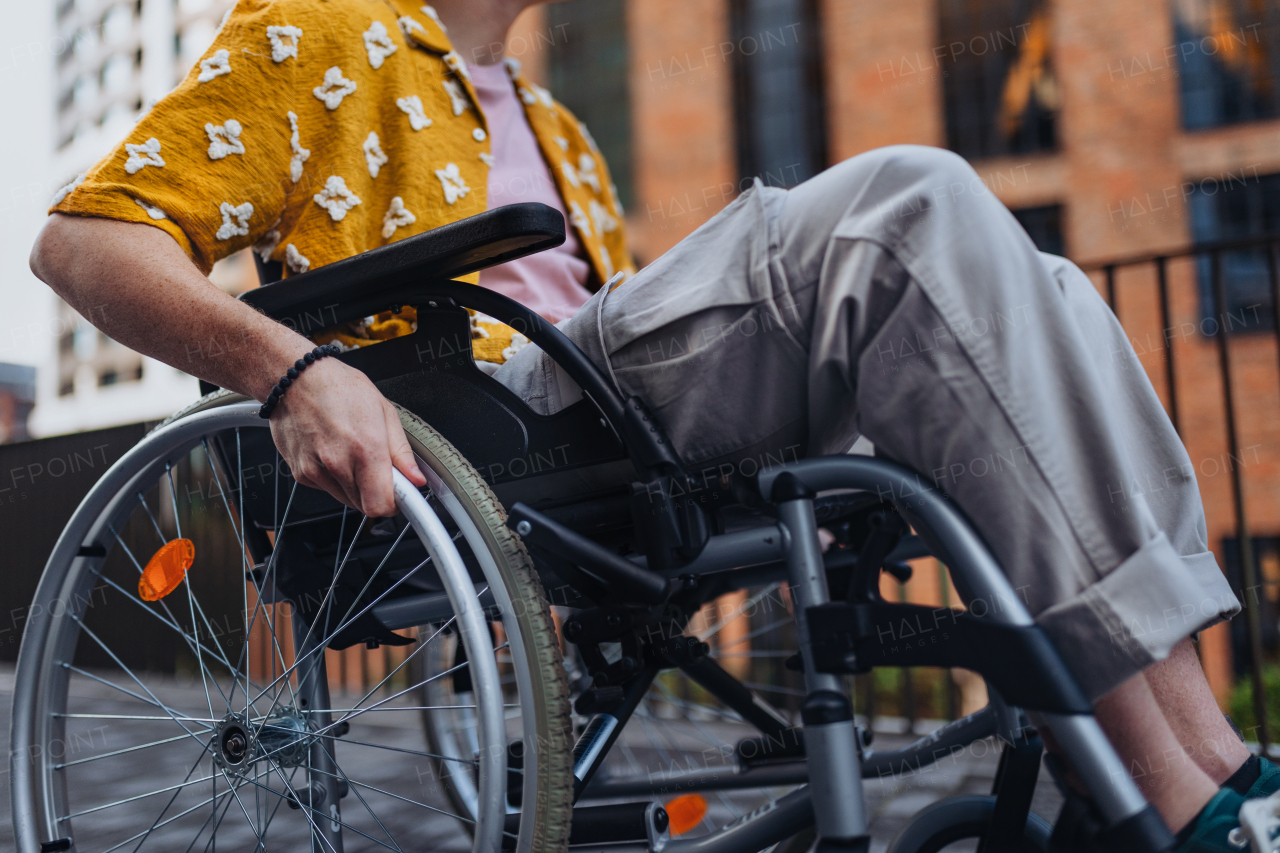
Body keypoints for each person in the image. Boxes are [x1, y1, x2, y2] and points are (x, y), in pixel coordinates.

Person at [27, 0, 1277, 848]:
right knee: (909, 202)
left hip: (616, 415)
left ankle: (1192, 762)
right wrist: (288, 371)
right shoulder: (320, 30)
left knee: (1047, 287)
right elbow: (81, 242)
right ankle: (1188, 797)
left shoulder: (554, 124)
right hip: (485, 413)